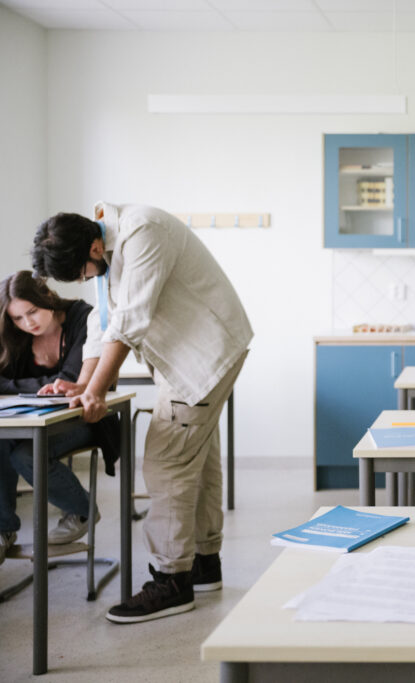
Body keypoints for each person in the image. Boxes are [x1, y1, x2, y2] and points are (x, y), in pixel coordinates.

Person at [31, 203, 253, 623]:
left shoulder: (143, 232)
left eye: (81, 273)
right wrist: (83, 383)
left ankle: (172, 581)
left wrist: (97, 392)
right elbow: (104, 318)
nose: (85, 279)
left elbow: (129, 320)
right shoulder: (104, 246)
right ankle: (204, 563)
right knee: (197, 459)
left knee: (166, 462)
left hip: (202, 357)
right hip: (194, 356)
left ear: (95, 246)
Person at [0, 272, 118, 563]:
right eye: (18, 318)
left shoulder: (82, 318)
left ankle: (82, 511)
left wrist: (33, 386)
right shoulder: (16, 336)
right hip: (35, 420)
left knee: (25, 456)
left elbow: (72, 381)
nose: (29, 323)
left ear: (47, 298)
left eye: (32, 311)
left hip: (86, 418)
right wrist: (45, 386)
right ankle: (3, 530)